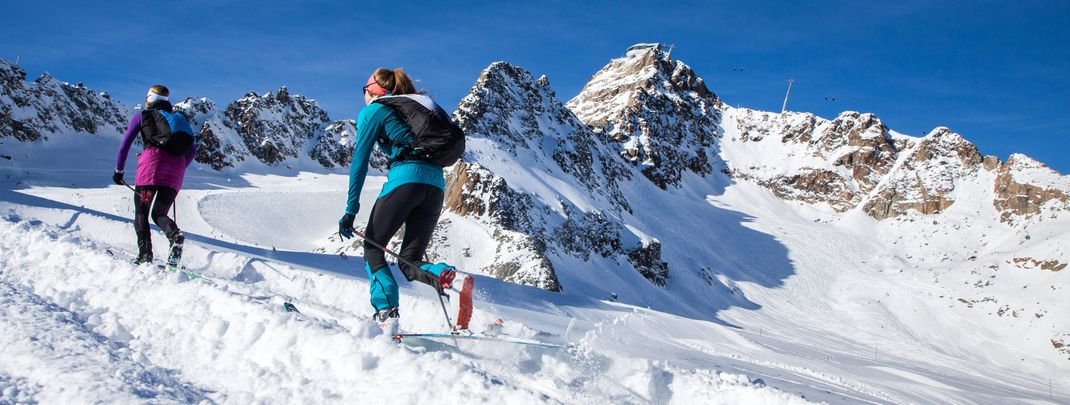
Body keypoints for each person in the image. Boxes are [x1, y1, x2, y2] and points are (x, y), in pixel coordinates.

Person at [338, 68, 458, 334]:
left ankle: (386, 313)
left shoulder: (374, 111)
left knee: (373, 249)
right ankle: (440, 273)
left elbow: (359, 163)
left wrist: (350, 211)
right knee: (409, 260)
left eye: (363, 90)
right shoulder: (412, 109)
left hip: (405, 180)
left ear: (373, 91)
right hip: (436, 185)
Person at [113, 85, 197, 266]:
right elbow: (192, 150)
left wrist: (119, 171)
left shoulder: (142, 115)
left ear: (150, 99)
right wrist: (179, 166)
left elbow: (124, 145)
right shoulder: (180, 119)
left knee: (142, 212)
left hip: (150, 169)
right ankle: (174, 235)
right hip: (175, 172)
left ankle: (145, 255)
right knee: (159, 213)